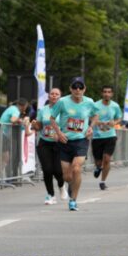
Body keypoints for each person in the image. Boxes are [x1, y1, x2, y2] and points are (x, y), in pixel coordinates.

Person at [49, 77, 98, 211]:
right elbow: (52, 118)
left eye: (80, 87)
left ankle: (73, 200)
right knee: (67, 176)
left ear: (84, 89)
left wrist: (91, 127)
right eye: (75, 87)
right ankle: (72, 185)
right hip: (65, 141)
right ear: (70, 88)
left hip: (81, 140)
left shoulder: (89, 102)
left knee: (76, 168)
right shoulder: (63, 102)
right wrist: (59, 133)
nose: (77, 90)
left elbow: (96, 115)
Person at [30, 88, 66, 205]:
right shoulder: (43, 110)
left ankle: (61, 186)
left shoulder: (64, 110)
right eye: (52, 94)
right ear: (48, 96)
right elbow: (39, 127)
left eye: (57, 94)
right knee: (47, 170)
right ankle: (50, 195)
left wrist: (60, 134)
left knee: (58, 171)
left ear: (60, 97)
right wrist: (35, 125)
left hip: (59, 143)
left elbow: (68, 126)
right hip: (44, 143)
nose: (54, 96)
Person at [91, 85, 122, 191]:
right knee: (99, 161)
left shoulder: (115, 106)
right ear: (102, 93)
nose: (107, 94)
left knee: (107, 159)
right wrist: (98, 122)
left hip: (110, 135)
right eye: (105, 92)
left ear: (112, 94)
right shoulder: (95, 105)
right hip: (97, 136)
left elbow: (119, 118)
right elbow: (90, 117)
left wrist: (114, 122)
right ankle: (98, 167)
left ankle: (102, 182)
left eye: (109, 92)